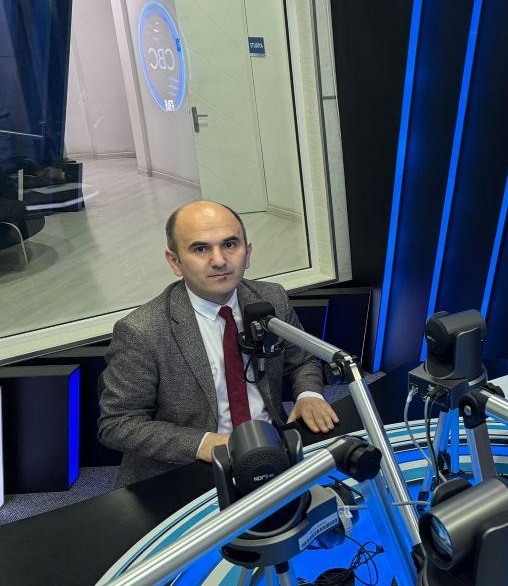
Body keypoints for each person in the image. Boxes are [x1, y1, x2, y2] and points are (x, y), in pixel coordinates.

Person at [99, 200, 339, 486]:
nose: (219, 260)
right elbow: (118, 423)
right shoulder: (142, 331)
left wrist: (309, 395)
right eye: (201, 249)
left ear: (247, 252)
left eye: (230, 244)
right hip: (187, 469)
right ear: (174, 261)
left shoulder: (271, 299)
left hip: (269, 447)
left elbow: (301, 361)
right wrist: (203, 443)